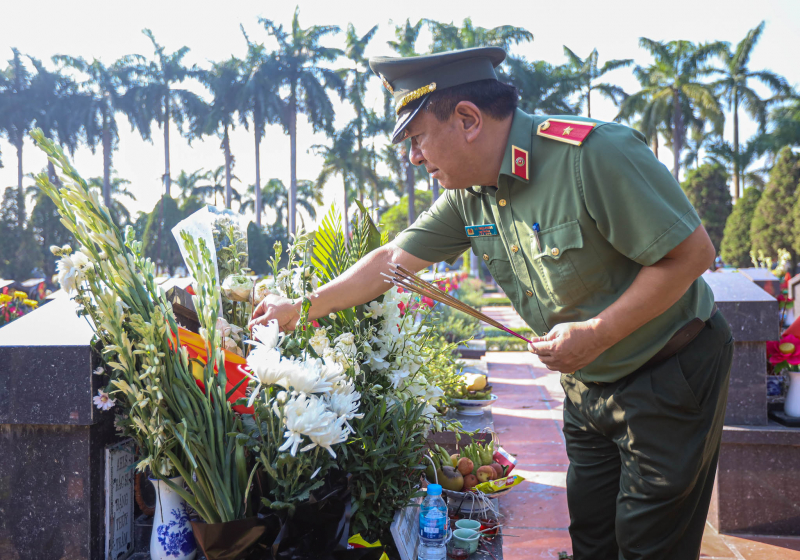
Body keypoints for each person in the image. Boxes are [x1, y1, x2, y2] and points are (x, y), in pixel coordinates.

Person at [250, 47, 733, 560]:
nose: (413, 157)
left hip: (668, 372)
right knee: (593, 540)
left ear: (467, 119)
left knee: (649, 545)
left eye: (417, 138)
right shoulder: (470, 195)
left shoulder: (591, 156)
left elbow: (692, 255)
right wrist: (300, 307)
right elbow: (391, 259)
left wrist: (597, 333)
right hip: (589, 385)